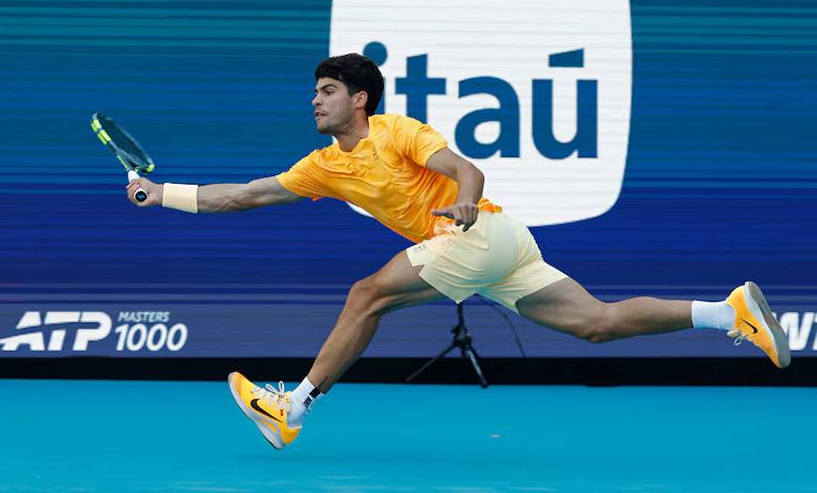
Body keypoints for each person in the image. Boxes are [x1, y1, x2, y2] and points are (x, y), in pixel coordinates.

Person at [127, 53, 791, 450]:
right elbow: (242, 196)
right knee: (597, 323)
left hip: (475, 231)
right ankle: (727, 312)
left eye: (326, 91)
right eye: (315, 91)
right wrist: (162, 195)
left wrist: (467, 199)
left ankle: (293, 407)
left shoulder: (396, 131)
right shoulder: (324, 165)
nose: (315, 99)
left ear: (359, 99)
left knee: (368, 295)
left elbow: (464, 166)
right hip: (497, 251)